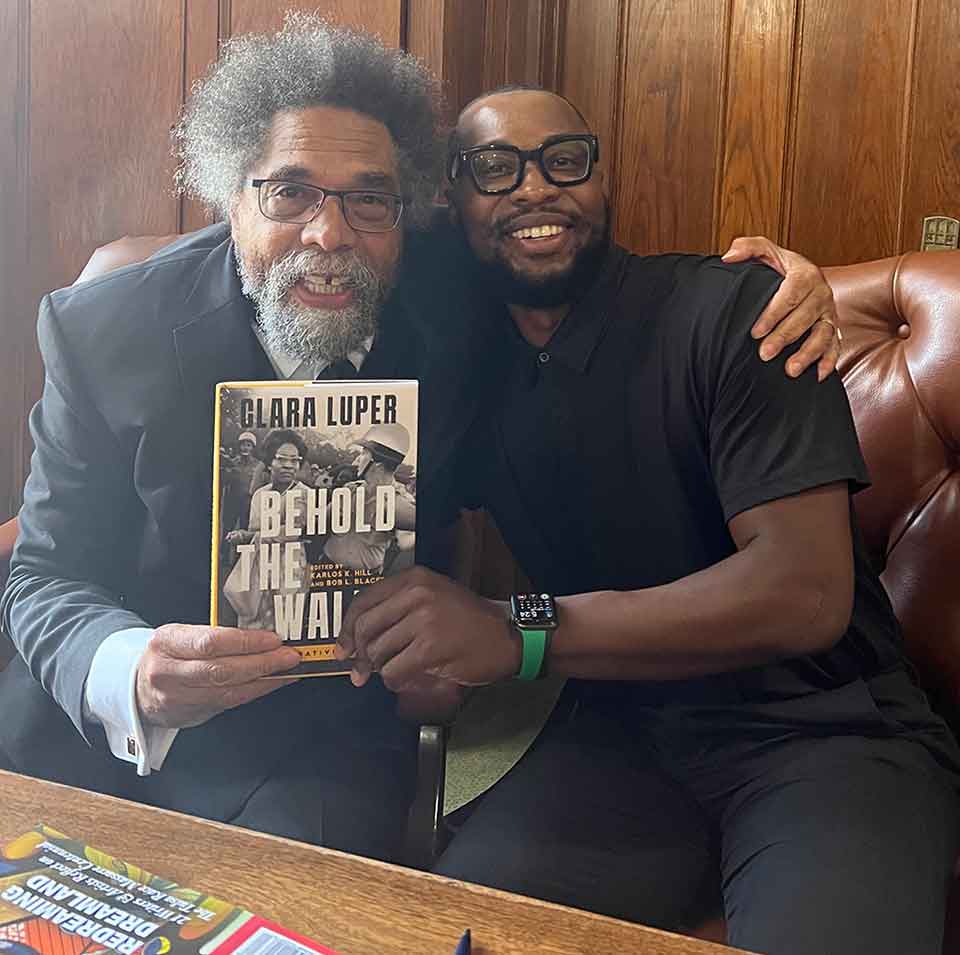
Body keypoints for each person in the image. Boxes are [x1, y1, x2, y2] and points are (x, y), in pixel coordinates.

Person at [1, 18, 836, 860]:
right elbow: (42, 572)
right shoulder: (104, 328)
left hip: (320, 737)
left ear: (409, 214)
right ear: (230, 195)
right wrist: (130, 669)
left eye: (369, 200)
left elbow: (558, 251)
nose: (329, 236)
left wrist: (796, 287)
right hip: (85, 733)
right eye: (289, 192)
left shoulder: (454, 309)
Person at [336, 87, 960, 954]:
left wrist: (516, 630)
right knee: (450, 936)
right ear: (453, 203)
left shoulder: (743, 312)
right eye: (494, 168)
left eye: (565, 160)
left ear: (601, 180)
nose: (535, 189)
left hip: (828, 732)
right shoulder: (465, 364)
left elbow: (804, 593)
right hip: (623, 735)